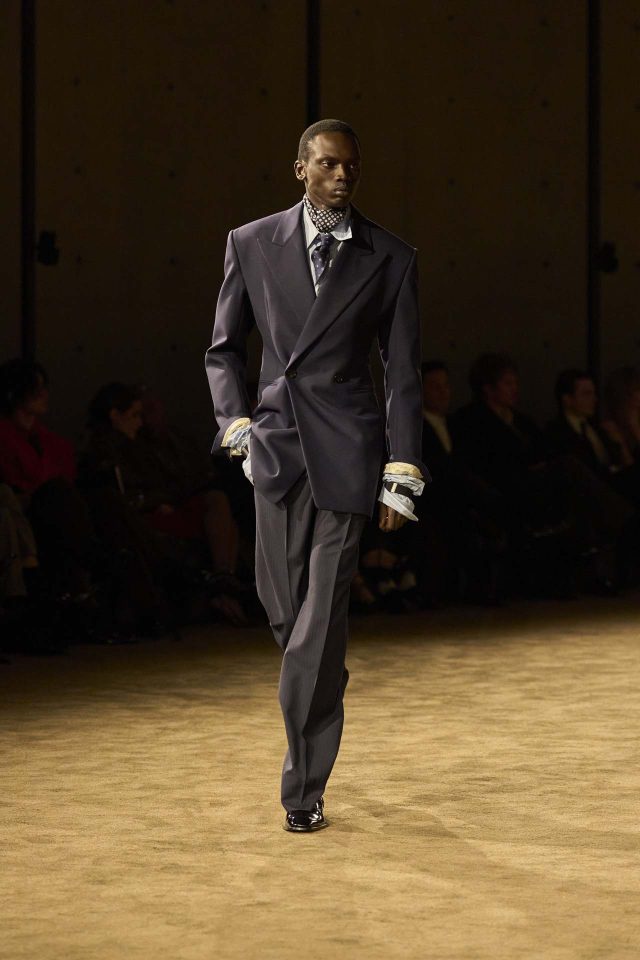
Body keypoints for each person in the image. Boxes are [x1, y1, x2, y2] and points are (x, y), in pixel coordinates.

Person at [205, 118, 429, 832]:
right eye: (329, 164)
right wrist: (236, 425)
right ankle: (323, 676)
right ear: (300, 168)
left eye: (351, 166)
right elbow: (222, 349)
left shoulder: (389, 256)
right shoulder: (251, 242)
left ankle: (302, 791)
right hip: (274, 448)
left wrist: (401, 468)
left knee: (323, 612)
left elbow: (402, 372)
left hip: (349, 450)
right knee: (286, 613)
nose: (342, 176)